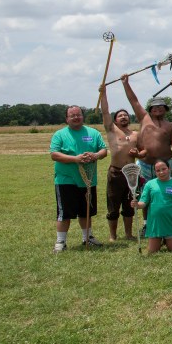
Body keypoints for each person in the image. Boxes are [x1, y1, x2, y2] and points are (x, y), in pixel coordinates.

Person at [50, 105, 108, 252]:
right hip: (66, 180)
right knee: (64, 213)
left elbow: (103, 150)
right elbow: (54, 154)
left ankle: (87, 237)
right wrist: (75, 159)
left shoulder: (93, 133)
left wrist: (96, 155)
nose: (76, 117)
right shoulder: (60, 134)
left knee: (85, 211)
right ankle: (61, 242)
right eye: (72, 115)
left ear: (83, 116)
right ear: (67, 119)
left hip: (88, 180)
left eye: (79, 114)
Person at [98, 85, 138, 241]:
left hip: (131, 173)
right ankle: (113, 236)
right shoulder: (112, 130)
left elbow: (143, 152)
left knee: (129, 205)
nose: (123, 117)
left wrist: (138, 153)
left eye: (125, 115)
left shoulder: (135, 135)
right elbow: (105, 112)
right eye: (120, 115)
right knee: (113, 205)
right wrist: (103, 93)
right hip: (115, 173)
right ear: (115, 120)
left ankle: (128, 234)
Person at [121, 74, 172, 179]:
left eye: (161, 106)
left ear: (166, 109)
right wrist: (126, 84)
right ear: (150, 110)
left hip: (165, 165)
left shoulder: (171, 127)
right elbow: (134, 101)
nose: (158, 108)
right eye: (154, 107)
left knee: (164, 188)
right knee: (144, 189)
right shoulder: (144, 118)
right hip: (145, 165)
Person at [132, 159, 172, 253]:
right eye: (158, 170)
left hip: (171, 223)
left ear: (169, 169)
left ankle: (167, 239)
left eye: (164, 169)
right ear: (155, 172)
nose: (161, 172)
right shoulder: (149, 184)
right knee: (152, 251)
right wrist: (137, 204)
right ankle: (160, 240)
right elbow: (143, 203)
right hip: (155, 224)